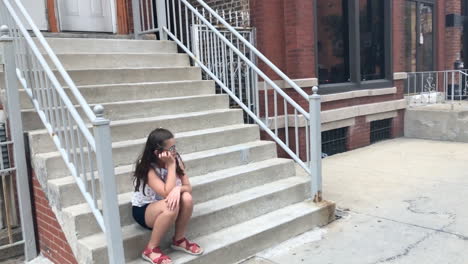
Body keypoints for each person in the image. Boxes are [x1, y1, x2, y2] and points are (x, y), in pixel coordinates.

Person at [132, 128, 203, 264]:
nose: (174, 151)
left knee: (186, 197)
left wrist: (178, 189)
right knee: (172, 205)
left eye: (174, 146)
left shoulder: (176, 159)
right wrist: (170, 166)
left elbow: (188, 187)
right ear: (158, 152)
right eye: (171, 148)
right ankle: (151, 249)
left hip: (167, 204)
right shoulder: (147, 167)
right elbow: (165, 193)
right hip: (145, 210)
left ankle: (179, 240)